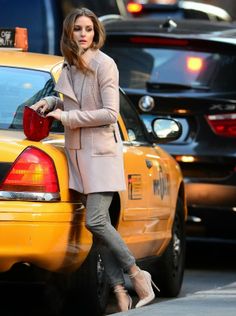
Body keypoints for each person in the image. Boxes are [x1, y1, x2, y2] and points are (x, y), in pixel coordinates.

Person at [31, 7, 159, 312]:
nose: (83, 34)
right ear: (69, 33)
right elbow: (70, 99)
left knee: (96, 220)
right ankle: (119, 291)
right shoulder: (70, 66)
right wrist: (50, 102)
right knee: (96, 228)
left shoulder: (106, 65)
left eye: (88, 29)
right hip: (77, 155)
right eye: (78, 29)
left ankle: (136, 274)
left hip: (100, 155)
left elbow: (109, 114)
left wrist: (67, 117)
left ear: (96, 32)